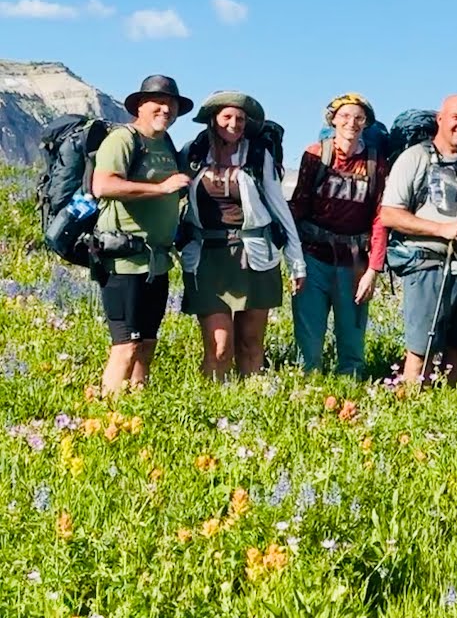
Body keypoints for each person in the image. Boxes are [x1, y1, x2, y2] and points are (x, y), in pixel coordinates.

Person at [178, 91, 306, 380]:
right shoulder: (193, 152)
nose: (234, 124)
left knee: (251, 343)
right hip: (206, 257)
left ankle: (251, 401)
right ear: (213, 119)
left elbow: (279, 208)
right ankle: (212, 401)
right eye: (227, 117)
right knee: (219, 347)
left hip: (254, 256)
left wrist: (296, 262)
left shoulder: (258, 155)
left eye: (240, 119)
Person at [90, 75, 192, 397]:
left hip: (156, 261)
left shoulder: (166, 144)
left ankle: (137, 405)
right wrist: (161, 188)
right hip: (124, 260)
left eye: (171, 104)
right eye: (158, 102)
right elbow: (103, 185)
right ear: (140, 106)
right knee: (126, 345)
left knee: (147, 343)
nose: (166, 109)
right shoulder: (123, 139)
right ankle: (106, 411)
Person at [381, 95, 457, 387]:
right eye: (455, 117)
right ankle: (414, 404)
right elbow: (389, 214)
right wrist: (441, 229)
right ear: (440, 119)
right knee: (421, 349)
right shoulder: (414, 158)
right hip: (426, 265)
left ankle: (451, 405)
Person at [289, 93, 389, 377]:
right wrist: (293, 259)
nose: (351, 123)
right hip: (313, 257)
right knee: (308, 339)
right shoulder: (315, 155)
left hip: (354, 262)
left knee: (352, 339)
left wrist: (373, 270)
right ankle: (307, 389)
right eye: (345, 116)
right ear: (333, 120)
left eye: (359, 118)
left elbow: (380, 219)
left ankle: (350, 390)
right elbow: (299, 205)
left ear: (366, 123)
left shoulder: (376, 164)